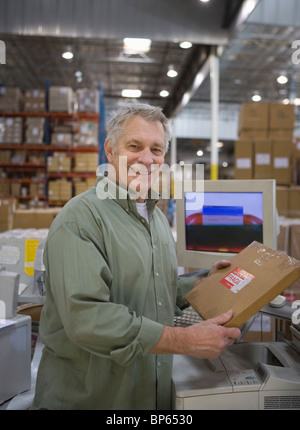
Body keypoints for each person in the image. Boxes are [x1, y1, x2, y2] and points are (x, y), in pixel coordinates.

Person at [32, 103, 240, 410]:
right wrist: (184, 341)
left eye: (156, 149)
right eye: (135, 146)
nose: (146, 158)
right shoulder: (80, 219)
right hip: (90, 400)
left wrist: (203, 281)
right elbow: (87, 319)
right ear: (110, 151)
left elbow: (152, 289)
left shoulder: (155, 218)